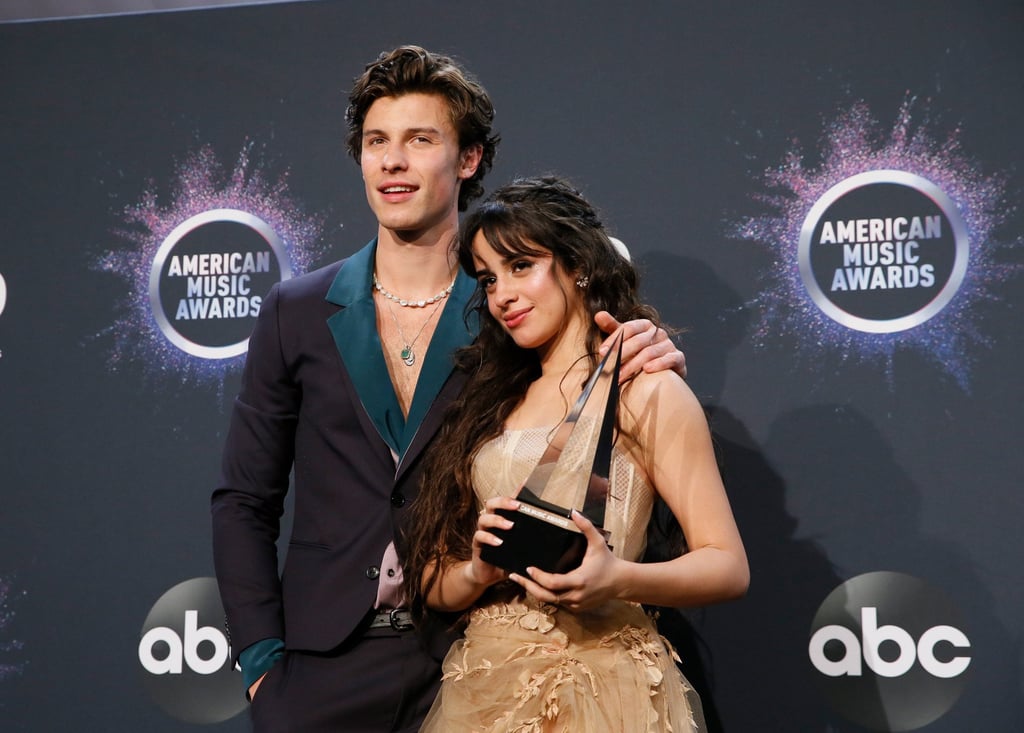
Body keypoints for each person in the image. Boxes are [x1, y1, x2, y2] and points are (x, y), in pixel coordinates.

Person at [210, 46, 687, 733]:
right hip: (319, 672)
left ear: (468, 159)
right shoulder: (297, 309)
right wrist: (261, 662)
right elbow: (244, 499)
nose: (392, 161)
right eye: (377, 141)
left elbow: (593, 388)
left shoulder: (511, 309)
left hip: (471, 658)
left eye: (419, 140)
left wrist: (646, 348)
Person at [403, 176, 749, 732]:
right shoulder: (486, 401)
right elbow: (433, 579)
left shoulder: (644, 386)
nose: (503, 296)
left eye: (521, 266)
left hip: (606, 683)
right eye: (489, 279)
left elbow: (727, 566)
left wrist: (616, 578)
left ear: (579, 265)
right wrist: (478, 572)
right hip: (485, 687)